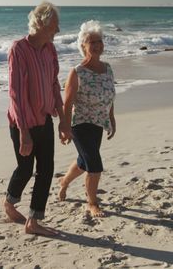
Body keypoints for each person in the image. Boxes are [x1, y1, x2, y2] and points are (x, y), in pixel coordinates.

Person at [3, 1, 70, 236]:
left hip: (44, 119)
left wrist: (62, 120)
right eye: (55, 25)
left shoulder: (50, 50)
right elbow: (16, 94)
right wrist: (23, 131)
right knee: (25, 168)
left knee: (47, 169)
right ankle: (9, 204)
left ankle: (33, 221)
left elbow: (53, 85)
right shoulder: (18, 49)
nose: (58, 30)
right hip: (22, 122)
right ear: (41, 23)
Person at [58, 20, 116, 217]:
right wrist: (64, 127)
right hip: (80, 124)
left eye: (99, 41)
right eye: (92, 42)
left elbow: (110, 94)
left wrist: (111, 118)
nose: (97, 45)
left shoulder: (108, 68)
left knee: (84, 162)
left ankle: (64, 181)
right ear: (83, 45)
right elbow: (67, 104)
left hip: (98, 123)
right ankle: (92, 203)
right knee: (95, 164)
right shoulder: (77, 72)